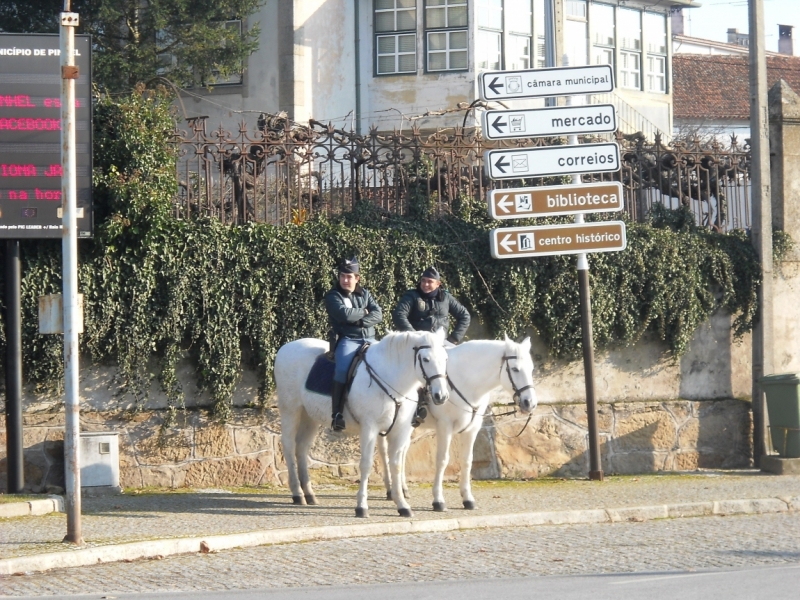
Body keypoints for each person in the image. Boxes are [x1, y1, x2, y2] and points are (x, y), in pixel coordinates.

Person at [324, 257, 383, 431]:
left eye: (349, 277)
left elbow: (378, 314)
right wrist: (365, 312)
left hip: (370, 339)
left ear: (357, 278)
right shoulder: (333, 295)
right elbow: (344, 315)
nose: (345, 280)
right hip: (348, 340)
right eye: (342, 276)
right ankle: (337, 414)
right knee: (342, 370)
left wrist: (360, 321)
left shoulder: (365, 294)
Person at [391, 266, 470, 346]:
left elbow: (464, 316)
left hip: (440, 344)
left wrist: (454, 338)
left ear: (438, 284)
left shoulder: (446, 297)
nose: (425, 284)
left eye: (430, 281)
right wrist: (413, 335)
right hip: (416, 344)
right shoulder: (411, 296)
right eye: (423, 280)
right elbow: (399, 314)